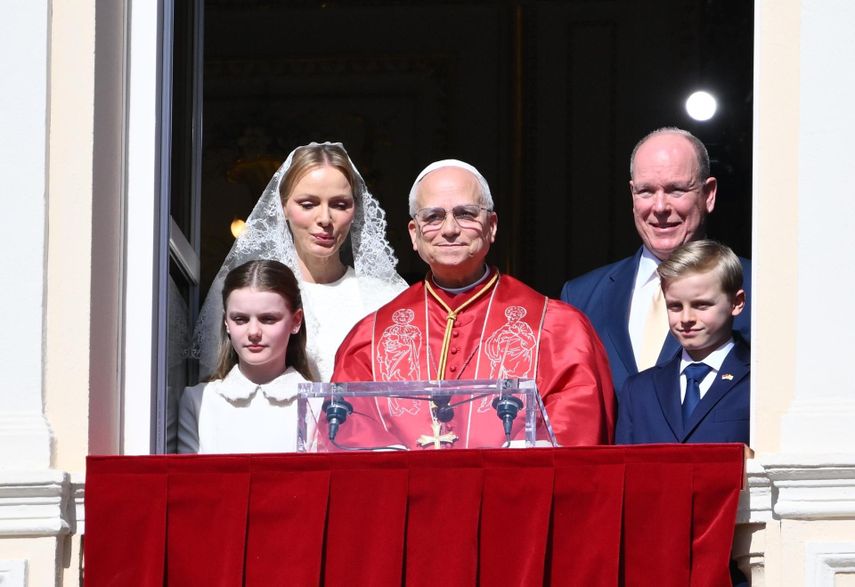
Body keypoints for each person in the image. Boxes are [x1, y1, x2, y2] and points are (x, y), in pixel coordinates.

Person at [331, 159, 615, 447]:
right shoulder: (372, 338)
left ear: (491, 226)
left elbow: (574, 431)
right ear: (414, 234)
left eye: (465, 214)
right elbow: (347, 434)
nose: (450, 229)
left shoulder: (556, 331)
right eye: (433, 217)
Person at [194, 142, 407, 381]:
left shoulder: (386, 298)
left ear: (355, 209)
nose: (325, 218)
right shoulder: (244, 295)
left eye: (340, 205)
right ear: (283, 206)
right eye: (308, 204)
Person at [560, 127, 752, 391]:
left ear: (709, 194)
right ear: (632, 195)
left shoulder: (755, 288)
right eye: (646, 192)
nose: (660, 207)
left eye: (676, 190)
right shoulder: (581, 297)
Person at [615, 240, 749, 445]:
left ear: (737, 303)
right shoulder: (639, 390)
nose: (686, 318)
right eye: (675, 306)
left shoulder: (759, 381)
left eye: (701, 305)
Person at [178, 260, 312, 454]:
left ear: (296, 321)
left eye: (268, 319)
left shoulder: (318, 405)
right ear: (226, 322)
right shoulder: (199, 400)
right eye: (240, 319)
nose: (253, 332)